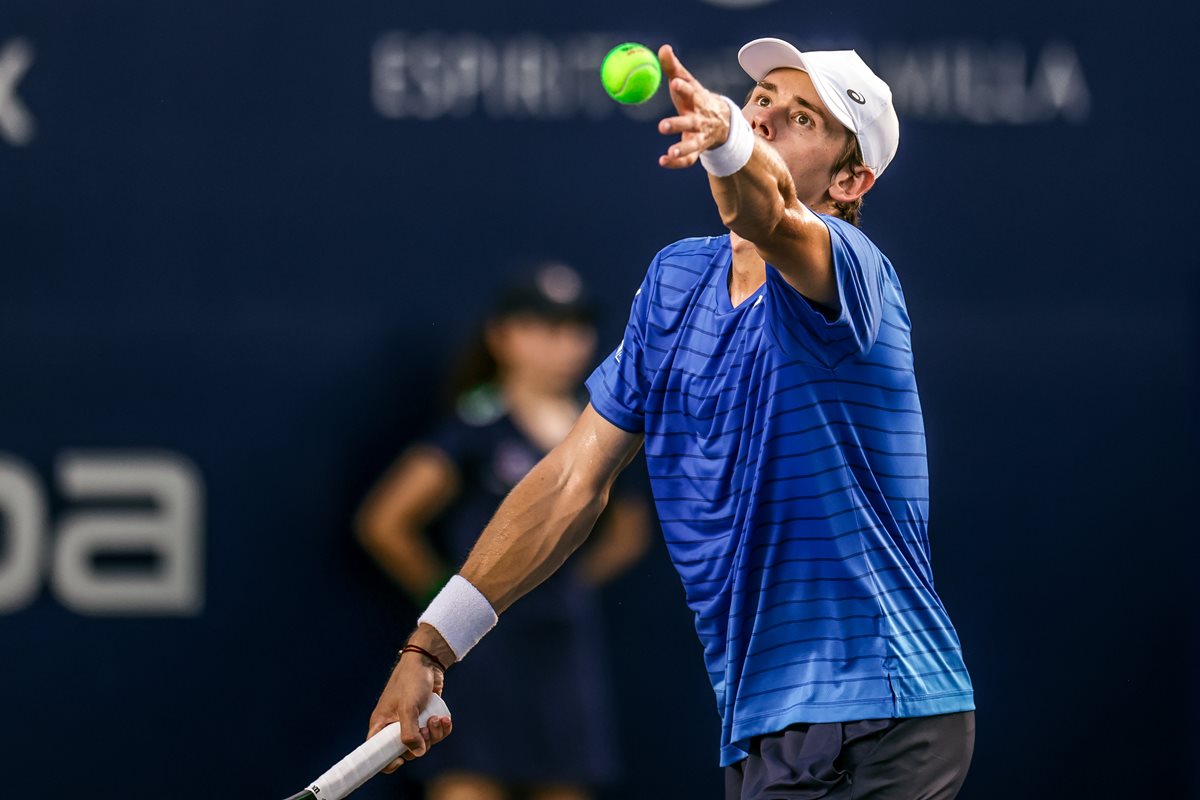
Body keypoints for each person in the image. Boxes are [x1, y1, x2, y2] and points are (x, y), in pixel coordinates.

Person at [368, 38, 976, 799]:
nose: (766, 117)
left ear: (850, 179)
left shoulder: (852, 269)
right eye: (761, 101)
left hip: (879, 709)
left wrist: (727, 141)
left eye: (803, 118)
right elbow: (570, 481)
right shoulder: (676, 281)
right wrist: (431, 646)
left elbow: (769, 214)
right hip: (761, 721)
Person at [356, 263, 650, 800]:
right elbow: (386, 521)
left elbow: (625, 525)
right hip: (479, 652)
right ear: (502, 335)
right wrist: (449, 604)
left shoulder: (603, 428)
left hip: (561, 644)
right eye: (544, 327)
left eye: (574, 328)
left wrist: (569, 580)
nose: (562, 344)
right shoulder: (477, 425)